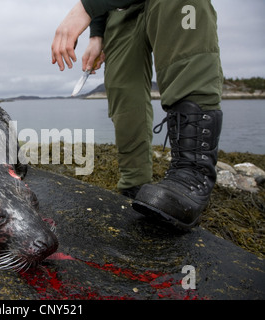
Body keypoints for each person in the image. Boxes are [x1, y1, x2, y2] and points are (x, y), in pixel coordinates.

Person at [51, 0, 223, 231]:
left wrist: (86, 7)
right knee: (123, 92)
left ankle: (192, 174)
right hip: (118, 10)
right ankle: (135, 185)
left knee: (184, 30)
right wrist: (97, 35)